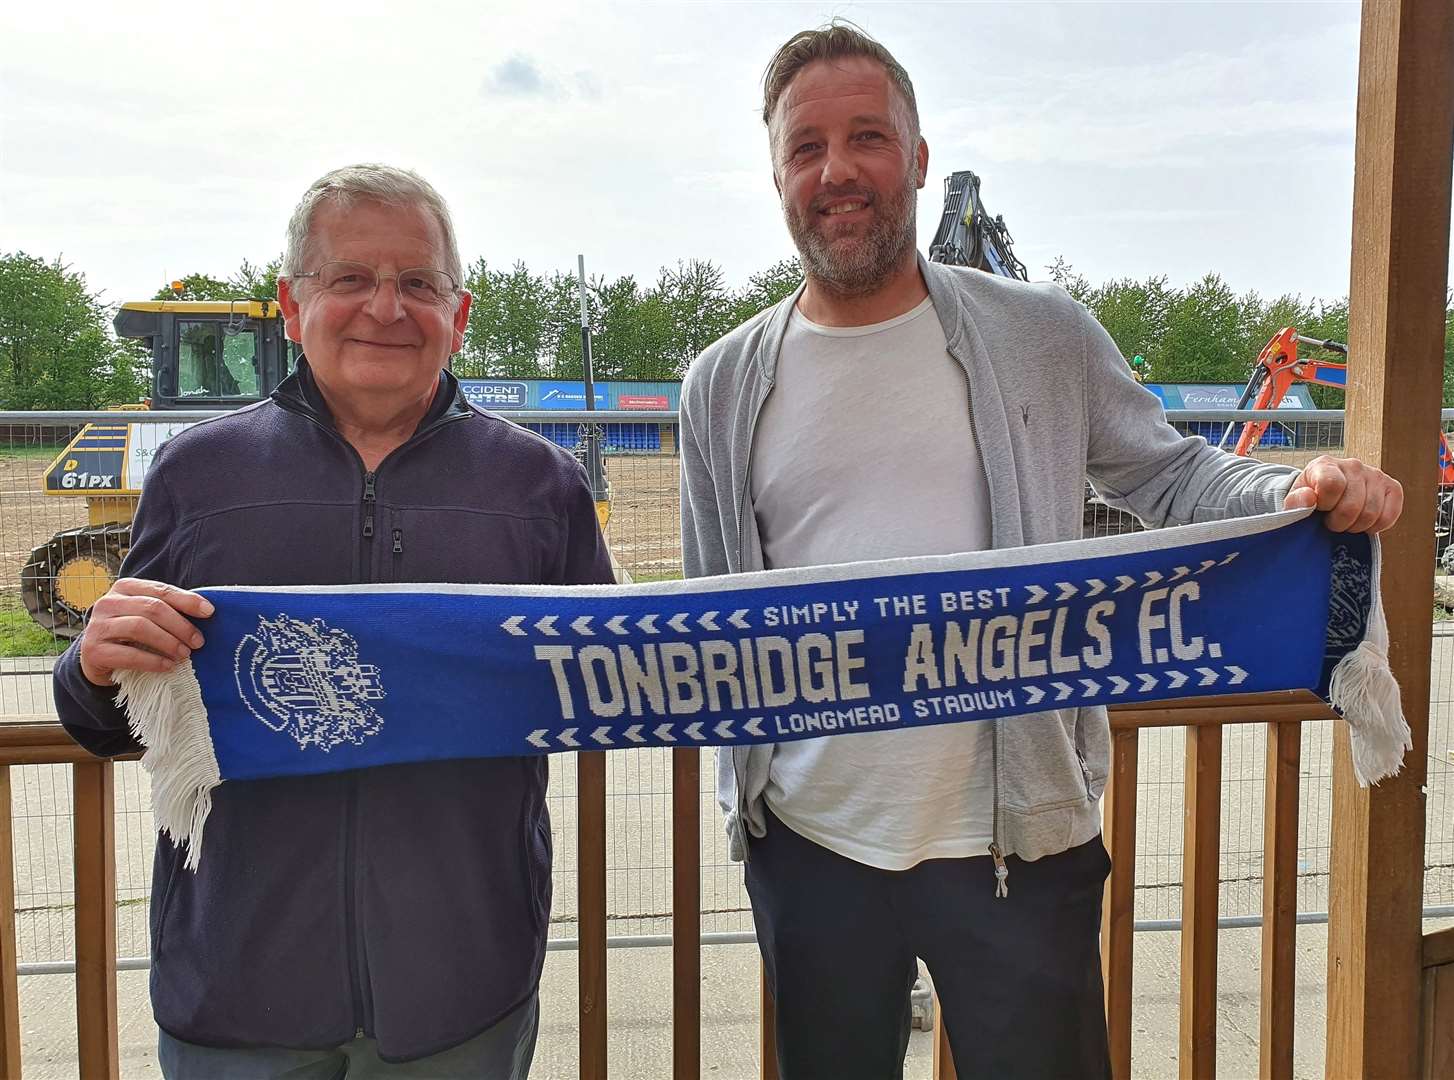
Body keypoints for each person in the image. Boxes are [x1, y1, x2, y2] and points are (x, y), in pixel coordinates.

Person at [678, 24, 1403, 1079]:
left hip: (1019, 842)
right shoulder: (719, 384)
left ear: (918, 159)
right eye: (805, 147)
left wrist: (1296, 487)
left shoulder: (1041, 335)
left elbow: (1172, 475)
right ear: (776, 172)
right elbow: (708, 620)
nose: (835, 170)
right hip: (809, 839)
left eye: (867, 137)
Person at [54, 164, 612, 1078]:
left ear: (459, 313)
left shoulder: (541, 487)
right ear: (291, 302)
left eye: (418, 284)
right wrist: (90, 665)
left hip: (462, 990)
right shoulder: (198, 477)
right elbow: (112, 718)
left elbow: (611, 690)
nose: (385, 309)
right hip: (238, 988)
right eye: (350, 278)